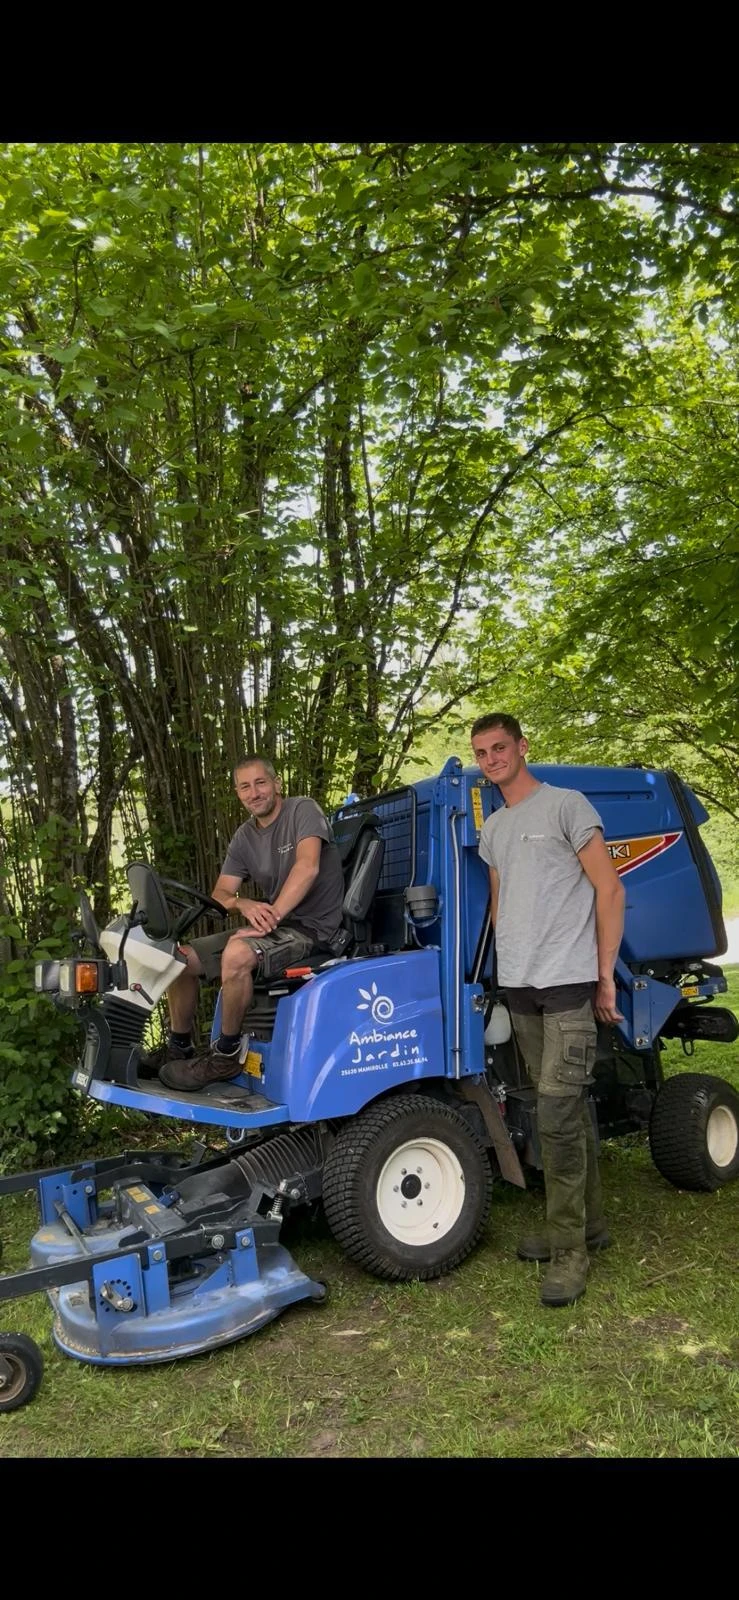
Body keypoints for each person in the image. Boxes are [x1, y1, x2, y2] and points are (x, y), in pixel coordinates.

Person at [471, 712, 625, 1309]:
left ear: (522, 747)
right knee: (556, 1108)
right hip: (521, 986)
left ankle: (570, 1252)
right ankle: (587, 1225)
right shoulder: (496, 829)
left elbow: (609, 889)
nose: (491, 759)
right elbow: (500, 903)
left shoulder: (567, 805)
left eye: (500, 747)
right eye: (482, 752)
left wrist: (605, 975)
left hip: (566, 983)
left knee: (559, 1117)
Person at [148, 757, 345, 1093]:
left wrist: (274, 914)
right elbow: (221, 893)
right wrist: (244, 903)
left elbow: (307, 867)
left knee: (237, 954)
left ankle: (225, 1055)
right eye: (245, 786)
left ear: (276, 784)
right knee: (177, 959)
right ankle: (179, 1046)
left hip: (312, 930)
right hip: (275, 925)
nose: (254, 793)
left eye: (260, 783)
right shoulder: (243, 837)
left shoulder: (302, 810)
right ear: (238, 793)